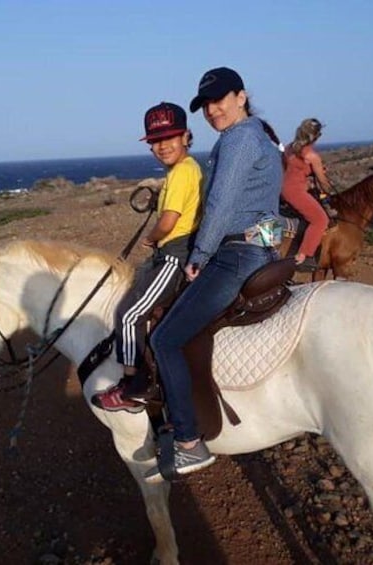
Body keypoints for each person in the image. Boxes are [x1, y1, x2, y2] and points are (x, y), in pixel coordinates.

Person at [144, 67, 284, 483]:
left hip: (236, 254)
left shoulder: (239, 138)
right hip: (260, 246)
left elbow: (221, 204)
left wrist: (200, 255)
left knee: (164, 338)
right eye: (205, 105)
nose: (211, 110)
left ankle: (189, 443)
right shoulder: (262, 134)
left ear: (241, 97)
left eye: (220, 99)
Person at [91, 102, 202, 414]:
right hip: (170, 251)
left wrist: (149, 239)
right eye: (155, 141)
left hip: (174, 255)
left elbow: (168, 222)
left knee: (128, 315)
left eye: (169, 138)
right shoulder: (181, 171)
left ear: (185, 137)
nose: (162, 146)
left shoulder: (182, 172)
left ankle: (134, 385)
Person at [281, 118, 334, 272]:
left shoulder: (289, 148)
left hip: (282, 189)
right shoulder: (312, 156)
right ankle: (304, 255)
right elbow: (323, 182)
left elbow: (289, 170)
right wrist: (328, 188)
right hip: (295, 191)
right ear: (316, 136)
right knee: (320, 220)